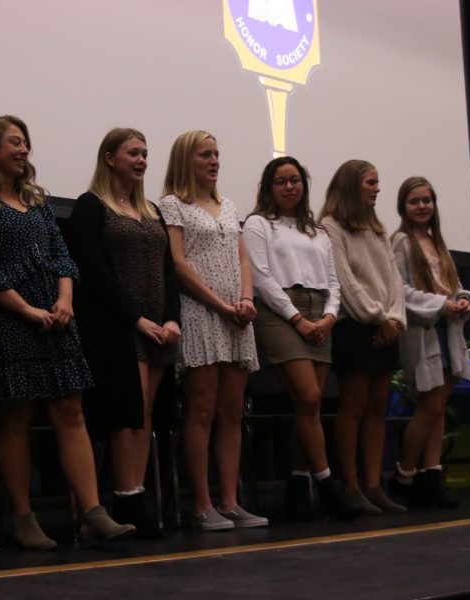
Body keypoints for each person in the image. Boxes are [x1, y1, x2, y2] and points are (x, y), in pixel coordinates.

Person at [0, 115, 135, 550]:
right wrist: (28, 311)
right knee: (16, 417)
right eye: (15, 143)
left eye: (26, 143)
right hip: (10, 322)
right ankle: (22, 518)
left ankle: (92, 512)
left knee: (72, 414)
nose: (24, 150)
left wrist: (65, 301)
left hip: (57, 320)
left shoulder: (37, 202)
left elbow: (63, 259)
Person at [66, 128, 181, 537]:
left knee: (147, 412)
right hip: (117, 326)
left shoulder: (151, 210)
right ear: (110, 157)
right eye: (133, 153)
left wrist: (171, 318)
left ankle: (135, 494)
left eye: (146, 154)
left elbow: (169, 269)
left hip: (157, 328)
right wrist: (135, 318)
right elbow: (93, 273)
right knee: (128, 412)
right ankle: (126, 496)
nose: (142, 160)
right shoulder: (90, 206)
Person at [158, 130, 267, 531]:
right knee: (201, 411)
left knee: (232, 412)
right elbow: (178, 263)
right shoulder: (173, 204)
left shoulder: (228, 204)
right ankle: (202, 505)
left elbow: (242, 260)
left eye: (217, 154)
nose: (214, 161)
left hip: (237, 317)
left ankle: (230, 501)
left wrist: (247, 300)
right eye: (205, 155)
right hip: (202, 314)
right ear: (187, 159)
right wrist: (220, 305)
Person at [243, 156, 355, 519]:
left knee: (309, 405)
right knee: (307, 396)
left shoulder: (317, 231)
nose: (289, 187)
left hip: (320, 310)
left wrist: (329, 316)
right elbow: (260, 277)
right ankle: (327, 484)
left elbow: (334, 280)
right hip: (280, 312)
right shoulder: (259, 224)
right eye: (281, 181)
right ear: (268, 187)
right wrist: (297, 318)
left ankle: (298, 483)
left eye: (295, 180)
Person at [319, 159, 408, 515]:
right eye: (371, 182)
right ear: (353, 186)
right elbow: (344, 281)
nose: (377, 188)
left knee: (377, 408)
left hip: (386, 327)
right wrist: (377, 318)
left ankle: (374, 484)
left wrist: (395, 320)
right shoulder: (332, 226)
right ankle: (351, 485)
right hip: (355, 327)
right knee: (353, 407)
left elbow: (394, 280)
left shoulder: (378, 229)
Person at [388, 177, 470, 508]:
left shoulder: (437, 242)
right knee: (429, 405)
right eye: (415, 201)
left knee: (440, 407)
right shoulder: (401, 242)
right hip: (424, 330)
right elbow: (401, 290)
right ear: (403, 207)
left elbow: (452, 285)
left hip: (448, 329)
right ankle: (404, 475)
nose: (422, 207)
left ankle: (432, 473)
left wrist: (463, 300)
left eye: (427, 201)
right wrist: (441, 305)